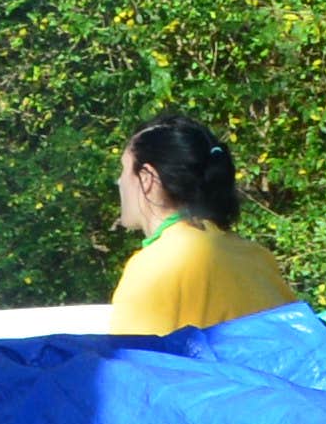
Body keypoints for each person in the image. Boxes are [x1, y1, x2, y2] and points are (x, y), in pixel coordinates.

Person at [98, 114, 295, 334]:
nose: (119, 181)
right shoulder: (257, 257)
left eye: (124, 170)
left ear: (147, 178)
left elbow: (135, 365)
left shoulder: (154, 267)